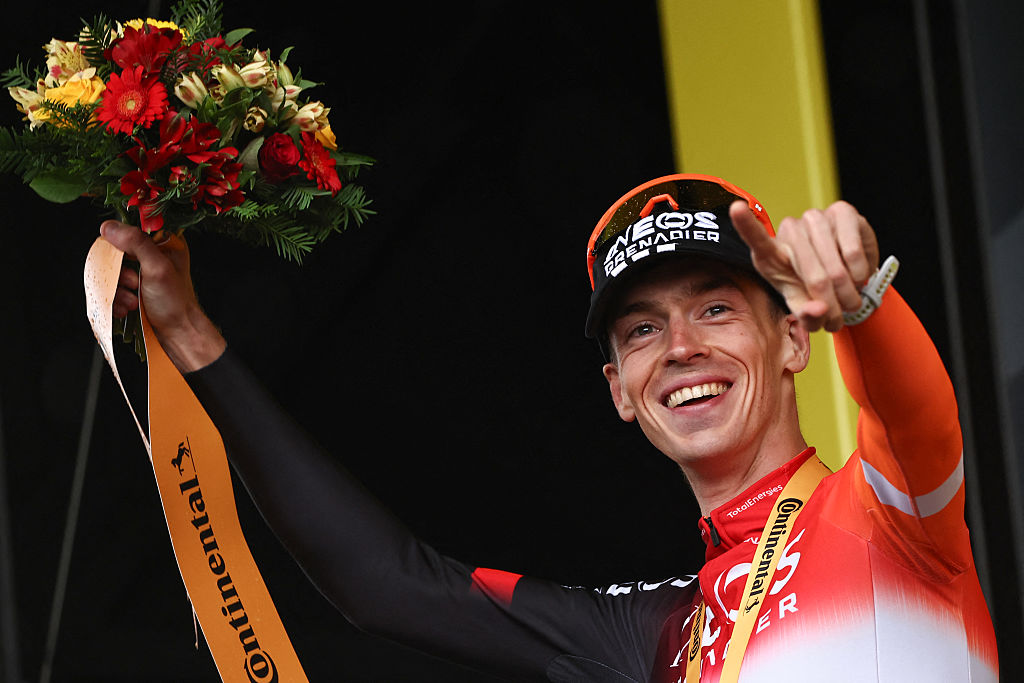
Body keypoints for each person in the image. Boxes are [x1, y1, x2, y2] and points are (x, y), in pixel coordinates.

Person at [101, 173, 999, 682]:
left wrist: (865, 307)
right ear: (618, 388)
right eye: (643, 330)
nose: (680, 348)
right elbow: (389, 586)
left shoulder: (889, 516)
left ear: (795, 337)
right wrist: (190, 334)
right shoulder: (667, 631)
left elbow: (914, 413)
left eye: (717, 310)